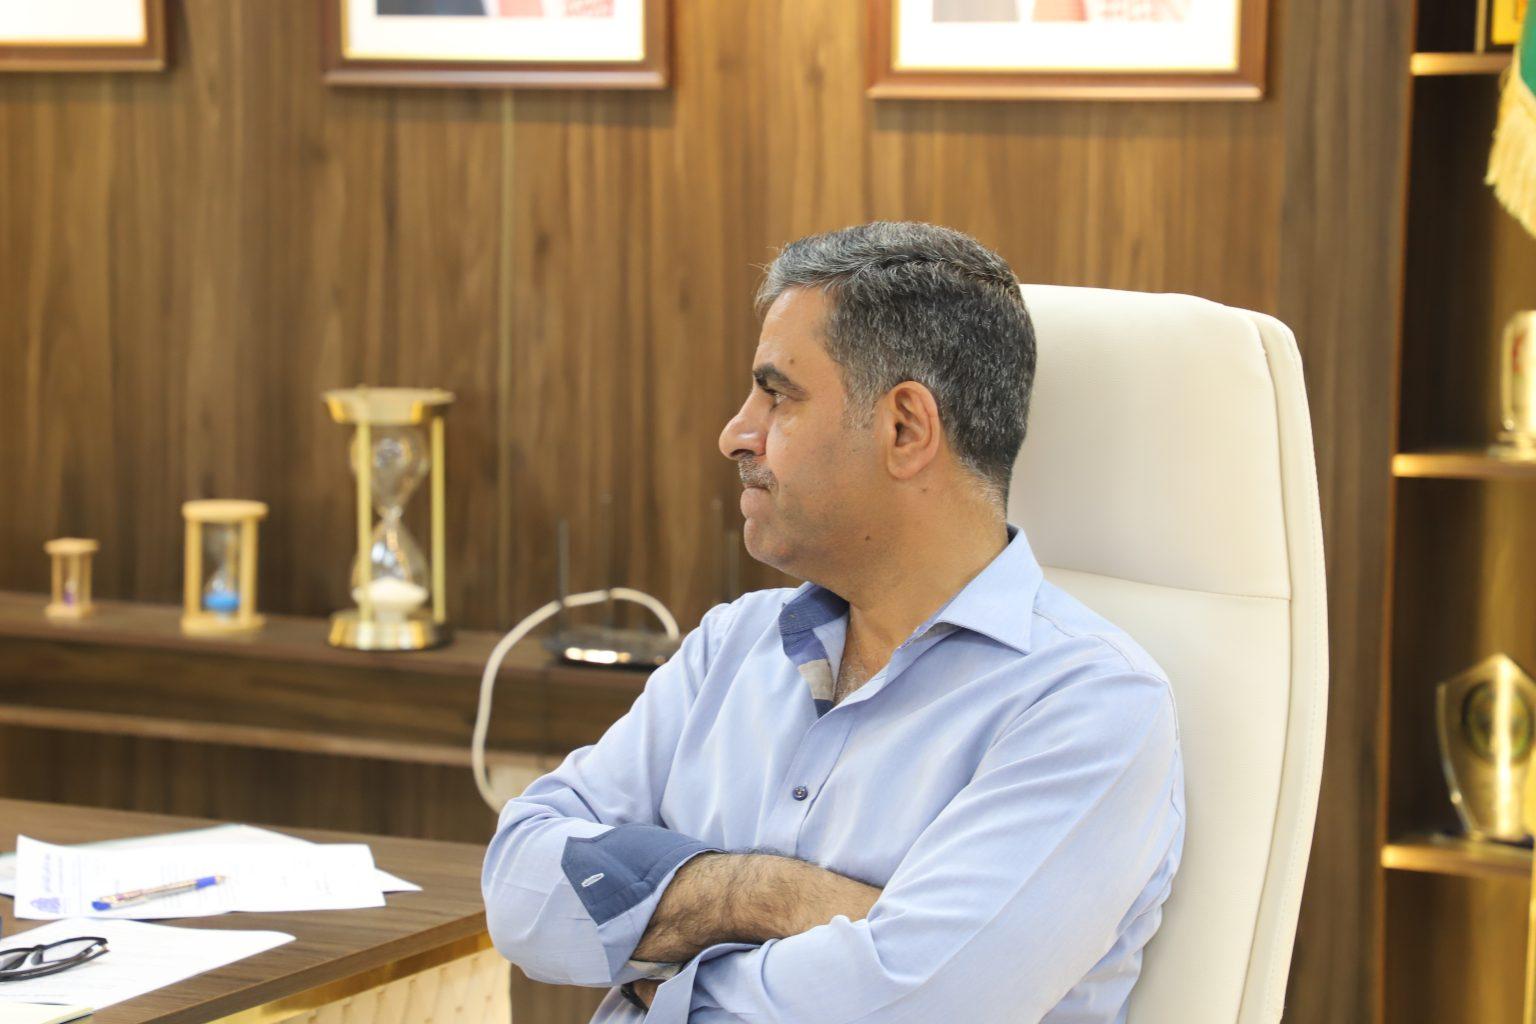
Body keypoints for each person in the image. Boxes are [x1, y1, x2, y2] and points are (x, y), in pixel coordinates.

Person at [482, 222, 1185, 1022]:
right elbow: (520, 889)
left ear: (904, 429)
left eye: (777, 394)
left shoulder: (1091, 707)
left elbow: (908, 1010)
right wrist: (761, 894)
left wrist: (658, 969)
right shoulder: (731, 645)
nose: (735, 434)